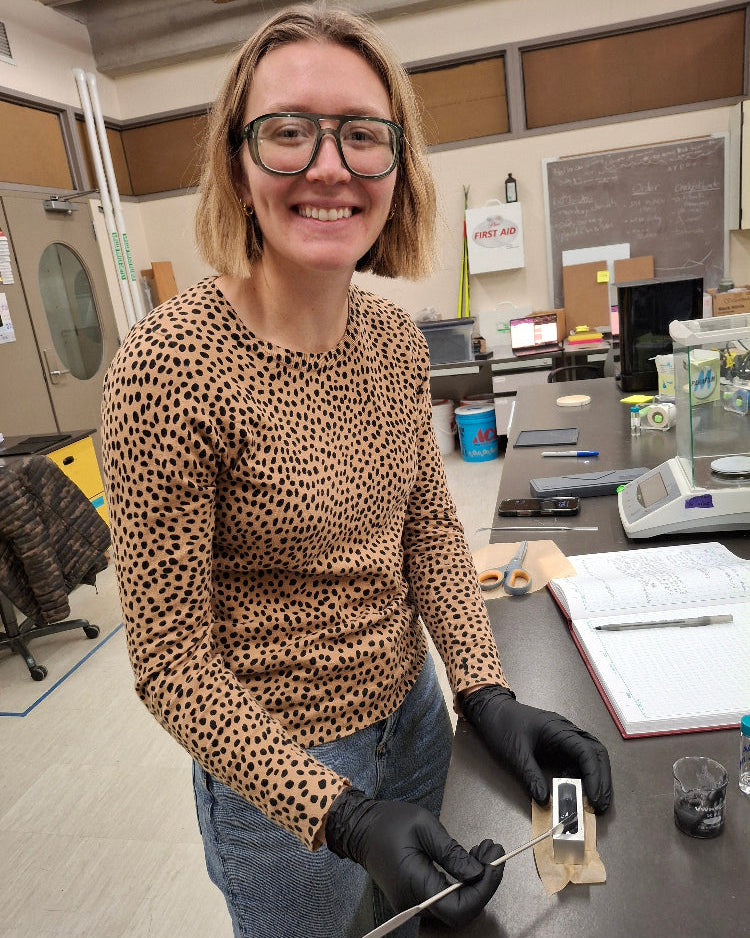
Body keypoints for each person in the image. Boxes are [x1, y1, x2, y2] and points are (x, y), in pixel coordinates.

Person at [100, 5, 612, 937]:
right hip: (276, 780)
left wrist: (484, 691)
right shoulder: (168, 367)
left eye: (362, 135)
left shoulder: (393, 339)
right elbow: (170, 661)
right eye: (288, 131)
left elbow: (429, 530)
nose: (329, 166)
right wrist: (338, 814)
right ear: (237, 163)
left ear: (396, 167)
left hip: (414, 722)